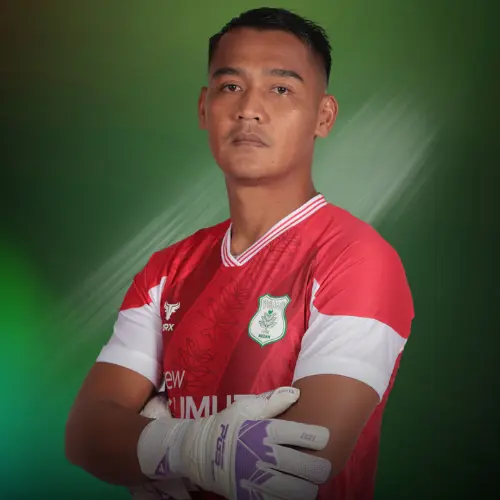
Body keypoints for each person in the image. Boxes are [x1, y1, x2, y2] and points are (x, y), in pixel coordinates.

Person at [65, 7, 414, 500]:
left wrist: (147, 444)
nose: (249, 108)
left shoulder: (358, 260)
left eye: (281, 88)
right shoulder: (165, 270)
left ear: (324, 116)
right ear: (204, 107)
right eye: (230, 86)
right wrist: (188, 446)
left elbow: (302, 460)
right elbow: (86, 434)